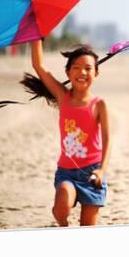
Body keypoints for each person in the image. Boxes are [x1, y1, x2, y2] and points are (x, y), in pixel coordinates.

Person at [21, 39, 111, 227]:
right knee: (62, 203)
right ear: (68, 72)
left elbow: (107, 140)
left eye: (88, 68)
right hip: (66, 173)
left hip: (91, 174)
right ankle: (63, 225)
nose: (82, 72)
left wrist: (102, 169)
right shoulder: (63, 96)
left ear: (97, 73)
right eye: (76, 68)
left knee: (87, 226)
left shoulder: (100, 104)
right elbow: (39, 65)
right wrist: (36, 36)